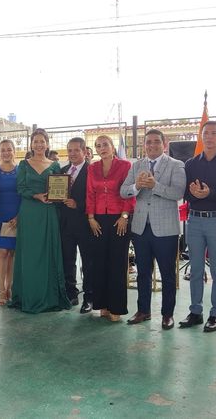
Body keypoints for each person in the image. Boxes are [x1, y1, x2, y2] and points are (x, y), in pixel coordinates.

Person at [120, 129, 186, 330]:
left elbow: (178, 193)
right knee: (143, 273)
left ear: (164, 144)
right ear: (144, 145)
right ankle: (143, 311)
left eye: (156, 141)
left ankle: (167, 314)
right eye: (148, 142)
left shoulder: (176, 165)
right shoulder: (137, 165)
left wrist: (155, 185)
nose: (152, 145)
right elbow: (123, 191)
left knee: (167, 274)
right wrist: (137, 186)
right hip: (140, 228)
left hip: (166, 230)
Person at [178, 121, 216, 333]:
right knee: (195, 270)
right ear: (201, 136)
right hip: (194, 221)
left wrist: (209, 193)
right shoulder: (191, 164)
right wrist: (194, 194)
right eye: (206, 133)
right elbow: (184, 193)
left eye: (214, 133)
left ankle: (215, 314)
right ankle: (195, 312)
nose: (209, 137)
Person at [10, 128, 71, 313]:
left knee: (47, 253)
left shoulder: (55, 166)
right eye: (35, 141)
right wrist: (36, 196)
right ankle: (28, 296)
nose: (39, 145)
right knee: (29, 254)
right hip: (29, 213)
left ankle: (49, 297)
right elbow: (20, 188)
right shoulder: (23, 164)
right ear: (31, 144)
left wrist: (59, 196)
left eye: (42, 141)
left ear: (47, 144)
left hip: (48, 212)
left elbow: (59, 189)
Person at [86, 135, 135, 322]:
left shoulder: (125, 166)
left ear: (112, 147)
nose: (102, 148)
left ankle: (117, 307)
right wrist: (91, 218)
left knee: (117, 263)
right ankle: (102, 305)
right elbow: (90, 193)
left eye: (105, 144)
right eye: (98, 146)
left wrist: (124, 216)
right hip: (97, 220)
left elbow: (129, 193)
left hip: (119, 219)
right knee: (99, 262)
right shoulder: (92, 168)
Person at [60, 137, 94, 313]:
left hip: (85, 224)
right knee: (67, 260)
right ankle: (70, 294)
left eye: (76, 150)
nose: (72, 153)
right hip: (65, 224)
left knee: (88, 262)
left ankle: (89, 297)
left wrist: (78, 205)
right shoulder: (62, 171)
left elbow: (96, 197)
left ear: (84, 152)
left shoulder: (92, 171)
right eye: (70, 150)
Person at [0, 139, 21, 305]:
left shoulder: (21, 171)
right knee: (2, 252)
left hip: (17, 217)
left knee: (13, 253)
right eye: (3, 150)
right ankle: (1, 289)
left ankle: (10, 287)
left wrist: (19, 217)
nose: (6, 153)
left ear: (14, 151)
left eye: (9, 149)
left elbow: (24, 194)